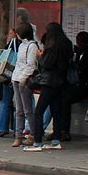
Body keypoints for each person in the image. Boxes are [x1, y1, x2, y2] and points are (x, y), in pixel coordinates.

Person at [23, 22, 72, 152]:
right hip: (60, 82)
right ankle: (56, 140)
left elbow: (47, 64)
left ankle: (37, 141)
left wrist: (40, 56)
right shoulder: (66, 44)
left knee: (39, 111)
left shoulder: (53, 46)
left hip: (49, 82)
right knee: (56, 111)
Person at [58, 31, 88, 141]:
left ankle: (65, 130)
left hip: (86, 85)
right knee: (60, 97)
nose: (77, 43)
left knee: (66, 101)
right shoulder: (79, 53)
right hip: (78, 83)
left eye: (79, 41)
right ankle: (59, 129)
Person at [11, 21, 38, 147]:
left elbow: (30, 65)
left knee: (27, 110)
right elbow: (19, 63)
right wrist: (14, 77)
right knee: (19, 110)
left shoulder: (31, 46)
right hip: (17, 78)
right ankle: (18, 135)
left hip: (25, 80)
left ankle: (33, 134)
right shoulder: (21, 45)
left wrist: (22, 78)